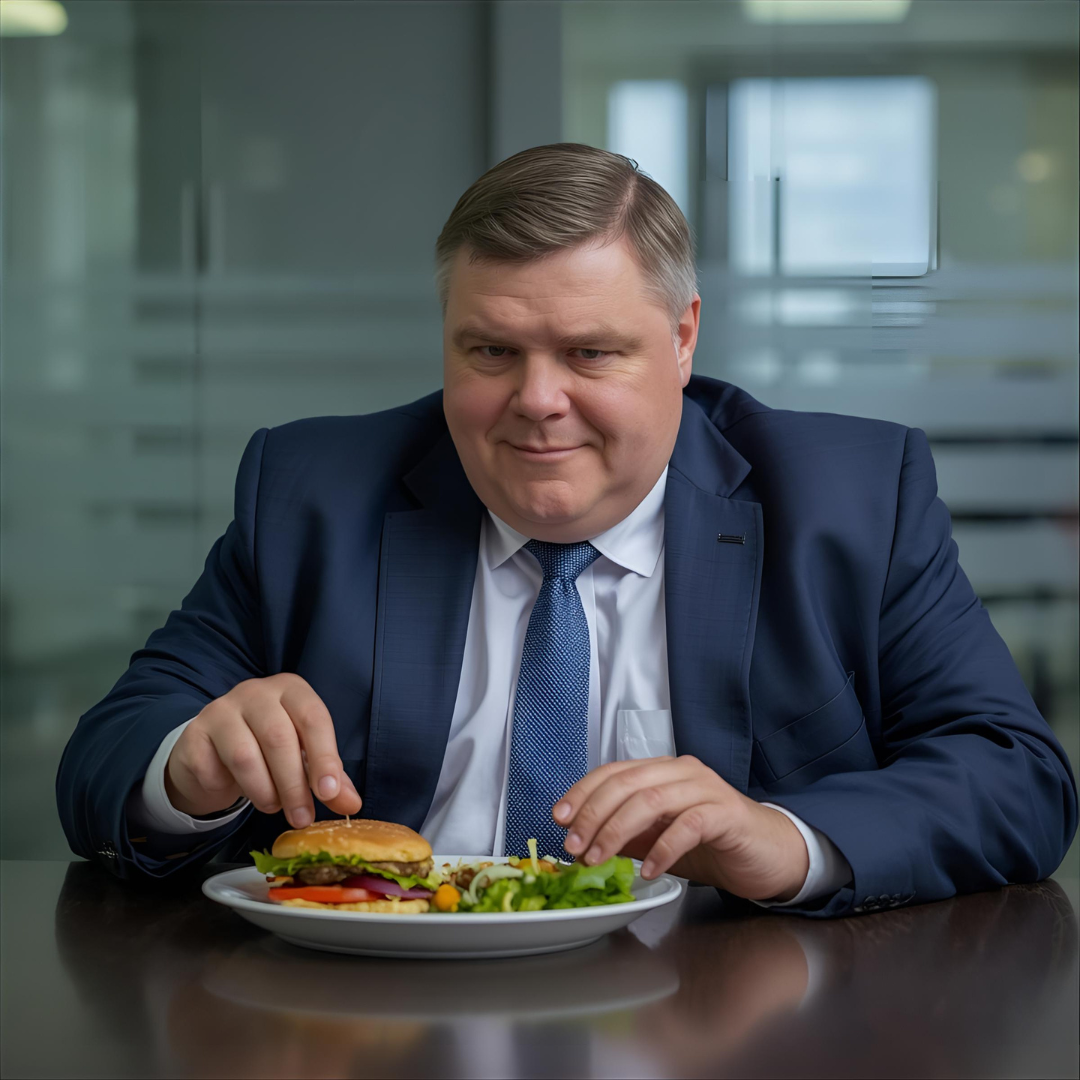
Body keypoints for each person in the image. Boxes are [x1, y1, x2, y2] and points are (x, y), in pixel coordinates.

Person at [57, 143, 1077, 916]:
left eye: (591, 353)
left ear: (682, 341)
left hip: (733, 1024)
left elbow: (1014, 776)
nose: (537, 401)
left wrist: (788, 839)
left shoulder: (847, 497)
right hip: (368, 1023)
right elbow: (108, 755)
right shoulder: (316, 492)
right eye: (491, 349)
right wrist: (186, 767)